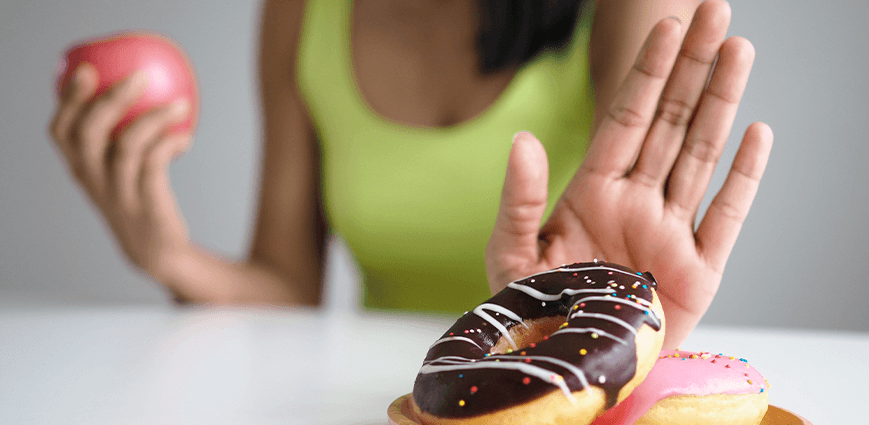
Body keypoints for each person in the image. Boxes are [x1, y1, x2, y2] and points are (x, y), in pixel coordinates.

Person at [48, 0, 772, 350]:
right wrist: (165, 254)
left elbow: (636, 261)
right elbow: (287, 286)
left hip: (562, 393)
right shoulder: (301, 11)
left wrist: (602, 313)